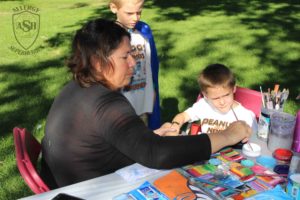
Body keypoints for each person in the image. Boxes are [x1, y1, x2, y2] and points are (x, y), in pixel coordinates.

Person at [40, 19, 252, 189]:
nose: (133, 62)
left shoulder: (77, 88)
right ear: (98, 62)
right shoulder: (105, 102)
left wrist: (147, 137)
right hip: (85, 191)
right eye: (125, 56)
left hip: (66, 183)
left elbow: (112, 139)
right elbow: (156, 154)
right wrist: (227, 135)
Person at [109, 0, 161, 130]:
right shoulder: (109, 37)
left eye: (139, 12)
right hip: (122, 102)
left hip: (142, 96)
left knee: (144, 136)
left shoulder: (143, 32)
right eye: (129, 13)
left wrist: (152, 89)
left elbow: (150, 64)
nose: (135, 18)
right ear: (114, 8)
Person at [170, 63, 258, 136]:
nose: (222, 102)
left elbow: (255, 144)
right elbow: (183, 116)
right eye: (215, 98)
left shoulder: (246, 116)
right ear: (205, 95)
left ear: (233, 89)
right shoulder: (204, 105)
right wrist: (176, 125)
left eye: (226, 95)